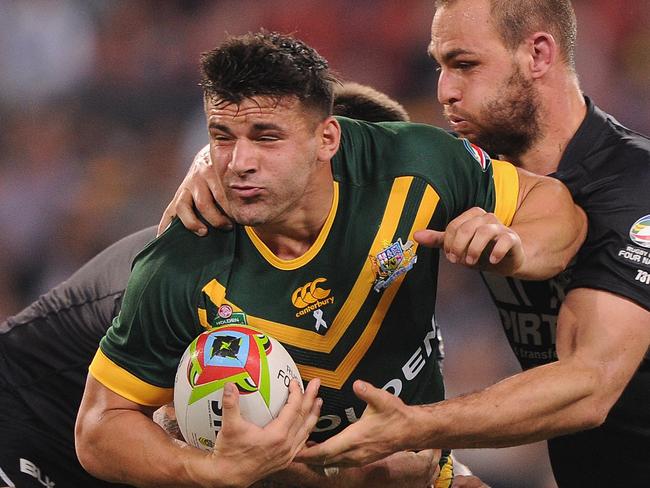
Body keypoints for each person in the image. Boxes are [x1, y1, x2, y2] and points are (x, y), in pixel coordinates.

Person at [74, 30, 583, 488]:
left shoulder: (414, 166)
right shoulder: (181, 263)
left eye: (267, 137)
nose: (240, 163)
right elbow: (99, 426)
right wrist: (210, 471)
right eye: (221, 138)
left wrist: (517, 248)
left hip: (424, 473)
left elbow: (555, 207)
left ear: (327, 138)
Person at [284, 1, 650, 486]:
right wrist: (209, 172)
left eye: (465, 65)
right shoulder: (475, 176)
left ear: (538, 54)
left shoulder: (633, 184)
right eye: (439, 65)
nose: (444, 91)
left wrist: (415, 426)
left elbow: (592, 387)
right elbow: (327, 164)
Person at [0, 84, 431, 488]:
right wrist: (349, 475)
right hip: (26, 417)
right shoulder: (205, 273)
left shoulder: (384, 276)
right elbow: (191, 431)